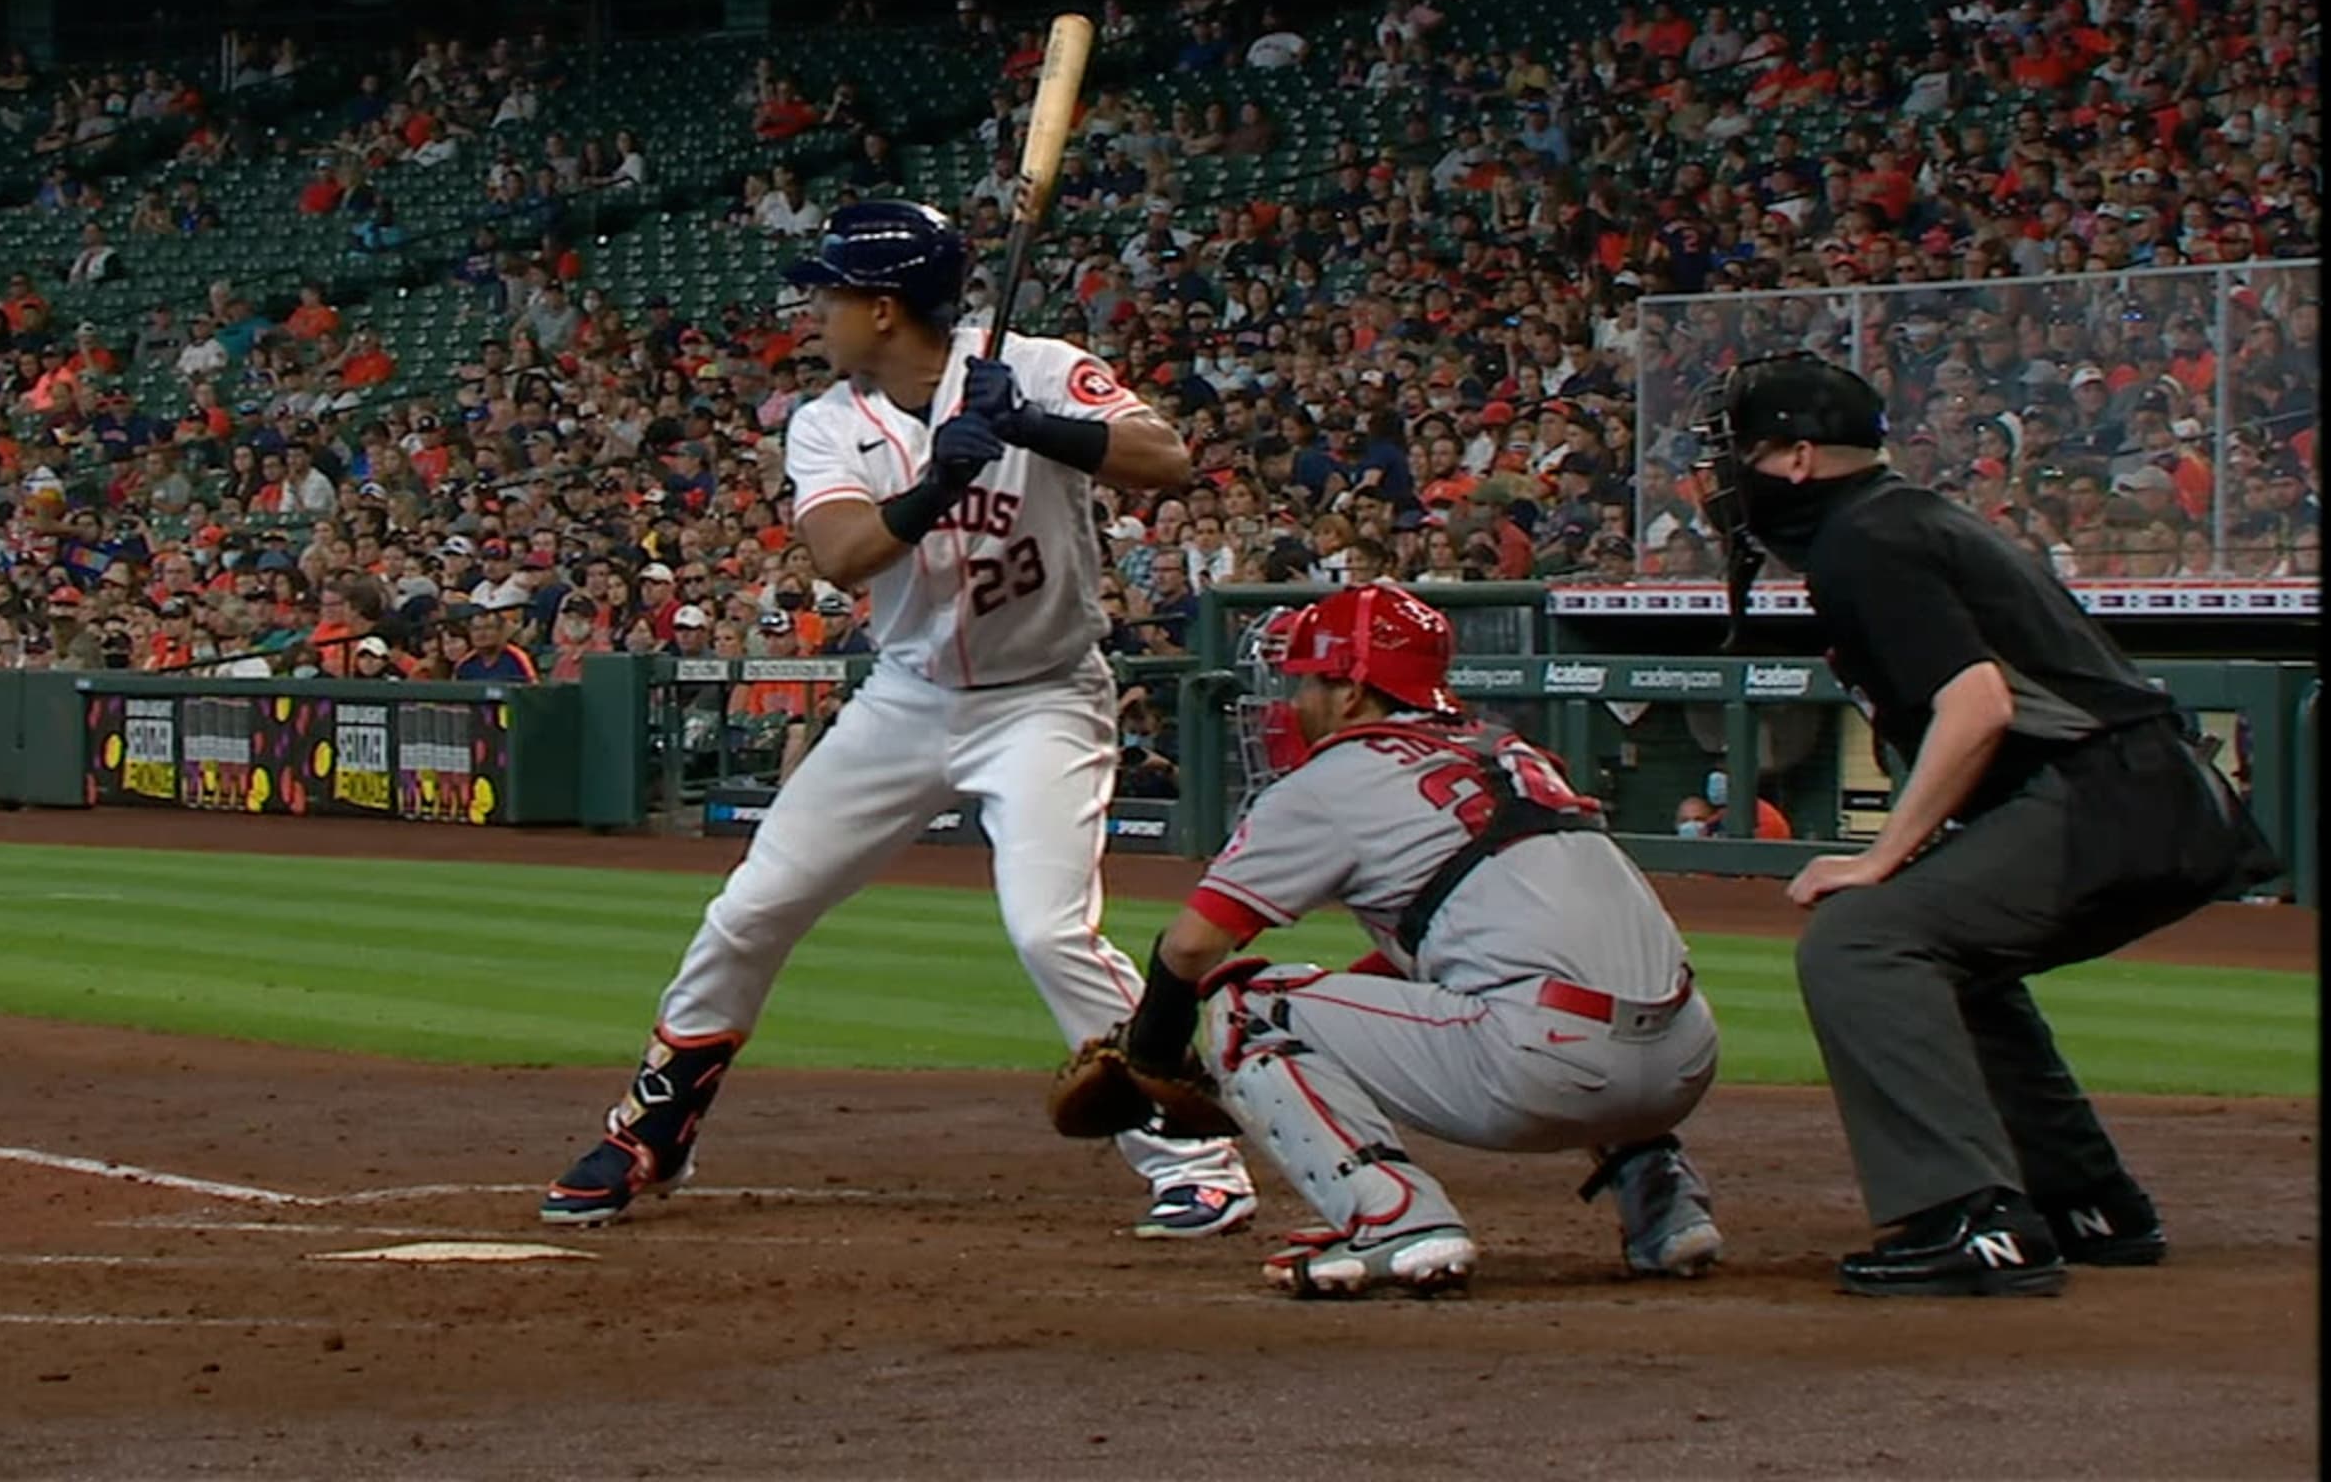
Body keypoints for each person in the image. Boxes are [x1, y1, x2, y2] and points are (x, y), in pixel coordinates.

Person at [539, 200, 1255, 1238]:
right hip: (906, 702)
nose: (813, 311)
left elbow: (1169, 458)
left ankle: (1192, 1155)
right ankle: (654, 1129)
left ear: (883, 308)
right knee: (751, 910)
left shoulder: (1038, 367)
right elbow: (840, 553)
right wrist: (938, 482)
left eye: (829, 293)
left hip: (1043, 699)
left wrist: (1030, 427)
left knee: (1049, 929)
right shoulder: (828, 420)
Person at [1695, 353, 2278, 1297]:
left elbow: (1977, 706)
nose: (1727, 477)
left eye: (1743, 452)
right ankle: (2087, 1199)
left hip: (2114, 795)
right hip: (2148, 791)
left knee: (1862, 941)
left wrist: (1882, 856)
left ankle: (1972, 1220)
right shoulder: (1904, 516)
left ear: (1797, 460)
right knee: (1944, 954)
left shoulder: (1864, 540)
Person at [1093, 584, 1721, 1297]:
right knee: (1565, 982)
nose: (1294, 702)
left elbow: (1191, 949)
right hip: (1683, 1059)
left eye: (1308, 681)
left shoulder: (1330, 780)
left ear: (1354, 692)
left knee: (1249, 1007)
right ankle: (1666, 1208)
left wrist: (1150, 1054)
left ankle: (1395, 1219)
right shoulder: (1513, 752)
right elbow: (1432, 960)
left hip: (1545, 1071)